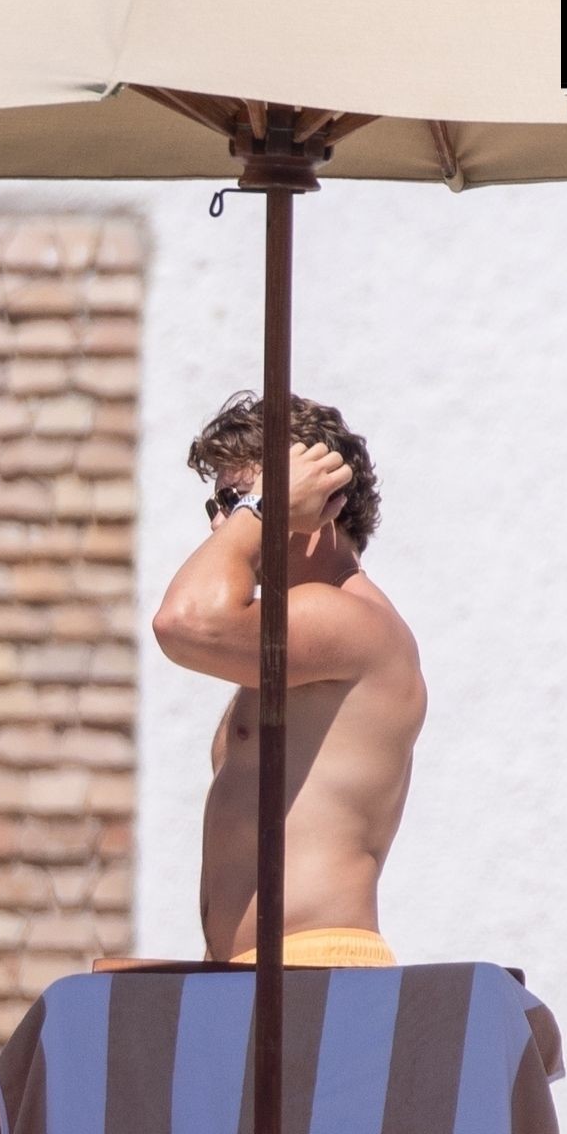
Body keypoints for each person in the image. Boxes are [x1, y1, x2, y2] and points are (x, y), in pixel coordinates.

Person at [151, 392, 426, 967]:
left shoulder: (349, 619)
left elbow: (184, 622)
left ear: (322, 501)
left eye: (241, 498)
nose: (224, 523)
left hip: (316, 970)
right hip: (257, 976)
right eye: (219, 505)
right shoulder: (299, 634)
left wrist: (263, 511)